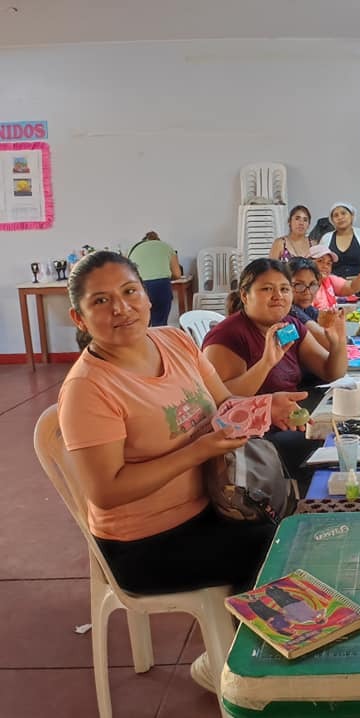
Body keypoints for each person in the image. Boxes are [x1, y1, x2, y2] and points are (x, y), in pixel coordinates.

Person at [58, 251, 307, 692]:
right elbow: (106, 491)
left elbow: (224, 404)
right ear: (79, 318)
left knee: (293, 506)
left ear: (148, 296)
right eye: (101, 301)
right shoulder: (88, 389)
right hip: (145, 542)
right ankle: (240, 672)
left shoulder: (175, 342)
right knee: (273, 547)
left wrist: (267, 406)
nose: (121, 308)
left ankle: (249, 649)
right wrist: (199, 450)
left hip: (210, 501)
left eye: (129, 291)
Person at [201, 258, 347, 482]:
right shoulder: (228, 336)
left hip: (290, 420)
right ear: (244, 295)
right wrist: (266, 363)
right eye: (267, 289)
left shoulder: (288, 326)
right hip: (254, 438)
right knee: (334, 443)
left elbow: (331, 372)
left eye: (284, 289)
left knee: (350, 428)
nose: (278, 296)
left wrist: (337, 343)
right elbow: (223, 402)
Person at [126, 230, 181, 326]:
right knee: (160, 324)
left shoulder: (133, 249)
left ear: (144, 240)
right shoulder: (166, 247)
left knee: (142, 324)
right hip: (161, 287)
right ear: (158, 240)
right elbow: (177, 274)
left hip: (139, 287)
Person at [308, 245, 360, 311]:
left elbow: (352, 287)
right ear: (308, 262)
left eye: (329, 263)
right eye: (320, 261)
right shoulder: (305, 288)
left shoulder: (329, 280)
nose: (325, 266)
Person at [315, 202, 360, 279]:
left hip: (358, 282)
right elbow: (320, 265)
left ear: (352, 216)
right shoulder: (326, 238)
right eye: (336, 215)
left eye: (343, 213)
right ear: (332, 221)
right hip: (332, 283)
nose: (340, 217)